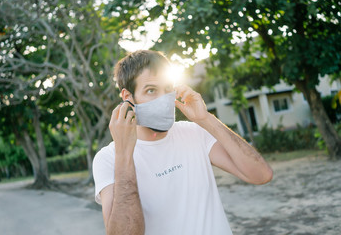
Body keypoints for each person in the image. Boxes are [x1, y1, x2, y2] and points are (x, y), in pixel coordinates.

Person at [93, 50, 273, 235]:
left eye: (168, 88)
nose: (163, 99)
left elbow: (261, 175)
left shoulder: (194, 132)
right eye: (151, 90)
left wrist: (205, 119)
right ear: (128, 97)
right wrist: (124, 155)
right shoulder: (108, 158)